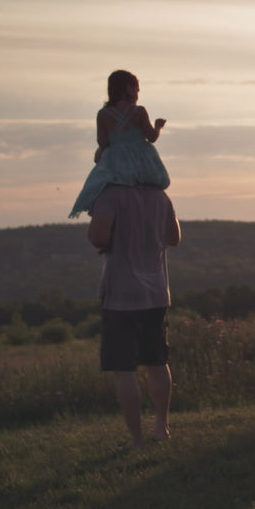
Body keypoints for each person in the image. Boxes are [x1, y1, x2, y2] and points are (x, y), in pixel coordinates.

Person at [87, 183, 181, 448]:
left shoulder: (108, 196)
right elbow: (173, 238)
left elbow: (99, 238)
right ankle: (162, 427)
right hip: (156, 291)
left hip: (121, 294)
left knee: (124, 367)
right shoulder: (161, 196)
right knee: (157, 361)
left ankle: (137, 438)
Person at [69, 70, 170, 219]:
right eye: (136, 89)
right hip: (141, 161)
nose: (137, 93)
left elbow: (102, 142)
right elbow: (152, 137)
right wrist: (158, 126)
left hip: (115, 161)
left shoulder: (103, 114)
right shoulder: (139, 111)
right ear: (129, 88)